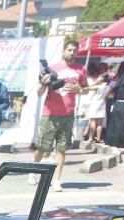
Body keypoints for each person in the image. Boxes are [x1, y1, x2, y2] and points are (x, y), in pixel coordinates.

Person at [32, 40, 88, 192]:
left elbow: (86, 89)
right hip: (49, 114)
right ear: (63, 51)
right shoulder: (52, 68)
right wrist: (43, 84)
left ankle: (57, 180)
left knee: (62, 149)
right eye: (69, 50)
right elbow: (39, 92)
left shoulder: (80, 69)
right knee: (43, 147)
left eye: (74, 50)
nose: (72, 53)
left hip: (68, 114)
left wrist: (79, 89)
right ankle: (34, 167)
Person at [82, 71, 110, 144]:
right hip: (102, 104)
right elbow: (107, 96)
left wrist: (96, 82)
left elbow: (87, 88)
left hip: (95, 104)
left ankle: (91, 138)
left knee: (93, 122)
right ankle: (98, 138)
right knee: (100, 123)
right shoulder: (108, 87)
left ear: (102, 79)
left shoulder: (98, 87)